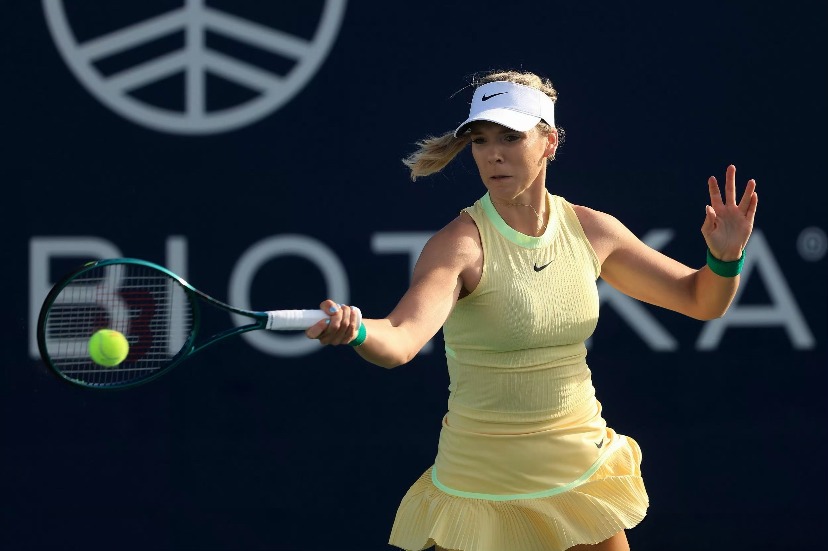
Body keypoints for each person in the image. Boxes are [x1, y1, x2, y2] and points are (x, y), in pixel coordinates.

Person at [305, 69, 758, 551]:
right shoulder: (459, 246)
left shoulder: (592, 230)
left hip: (579, 473)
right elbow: (401, 338)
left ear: (550, 142)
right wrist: (357, 331)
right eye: (480, 140)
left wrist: (724, 258)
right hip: (482, 491)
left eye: (510, 137)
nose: (493, 154)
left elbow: (701, 299)